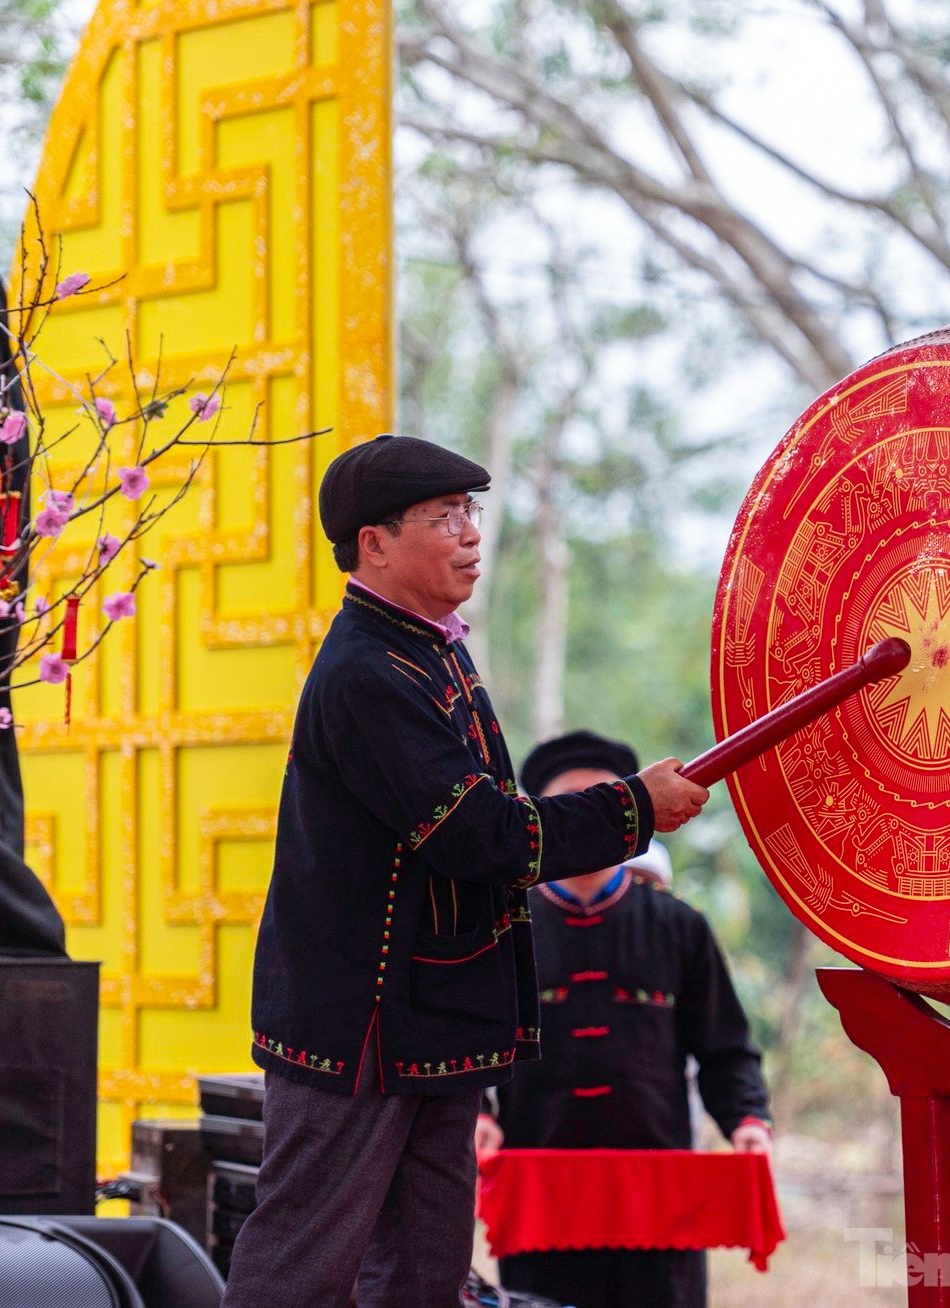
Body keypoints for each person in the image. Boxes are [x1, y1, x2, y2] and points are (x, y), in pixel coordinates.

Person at [220, 436, 711, 1308]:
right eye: (445, 516)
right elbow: (484, 835)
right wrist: (630, 809)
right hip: (358, 1030)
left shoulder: (431, 648)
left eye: (472, 512)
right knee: (300, 1272)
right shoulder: (367, 672)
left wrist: (626, 809)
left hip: (435, 1020)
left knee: (425, 1272)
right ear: (374, 542)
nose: (471, 535)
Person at [477, 729, 774, 1308]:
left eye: (604, 800)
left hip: (661, 1195)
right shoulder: (502, 932)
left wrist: (747, 1119)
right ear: (541, 820)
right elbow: (471, 1045)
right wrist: (478, 1113)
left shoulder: (678, 926)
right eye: (570, 804)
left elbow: (724, 1048)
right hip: (543, 1197)